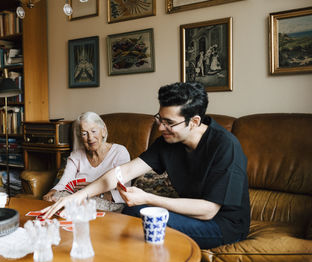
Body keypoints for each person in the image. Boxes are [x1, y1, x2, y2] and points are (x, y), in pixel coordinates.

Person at [41, 83, 250, 249]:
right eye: (159, 118)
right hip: (190, 214)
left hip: (222, 225)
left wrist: (148, 197)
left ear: (194, 122)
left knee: (137, 218)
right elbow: (122, 173)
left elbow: (208, 210)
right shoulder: (168, 142)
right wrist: (77, 197)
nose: (160, 127)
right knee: (131, 213)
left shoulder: (224, 146)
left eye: (169, 122)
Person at [43, 111, 130, 211]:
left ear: (104, 131)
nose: (90, 138)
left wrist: (95, 190)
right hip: (76, 198)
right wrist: (52, 192)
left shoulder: (119, 152)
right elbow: (65, 181)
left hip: (107, 201)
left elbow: (124, 191)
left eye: (93, 131)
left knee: (76, 206)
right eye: (84, 133)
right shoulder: (76, 154)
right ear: (80, 137)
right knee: (56, 198)